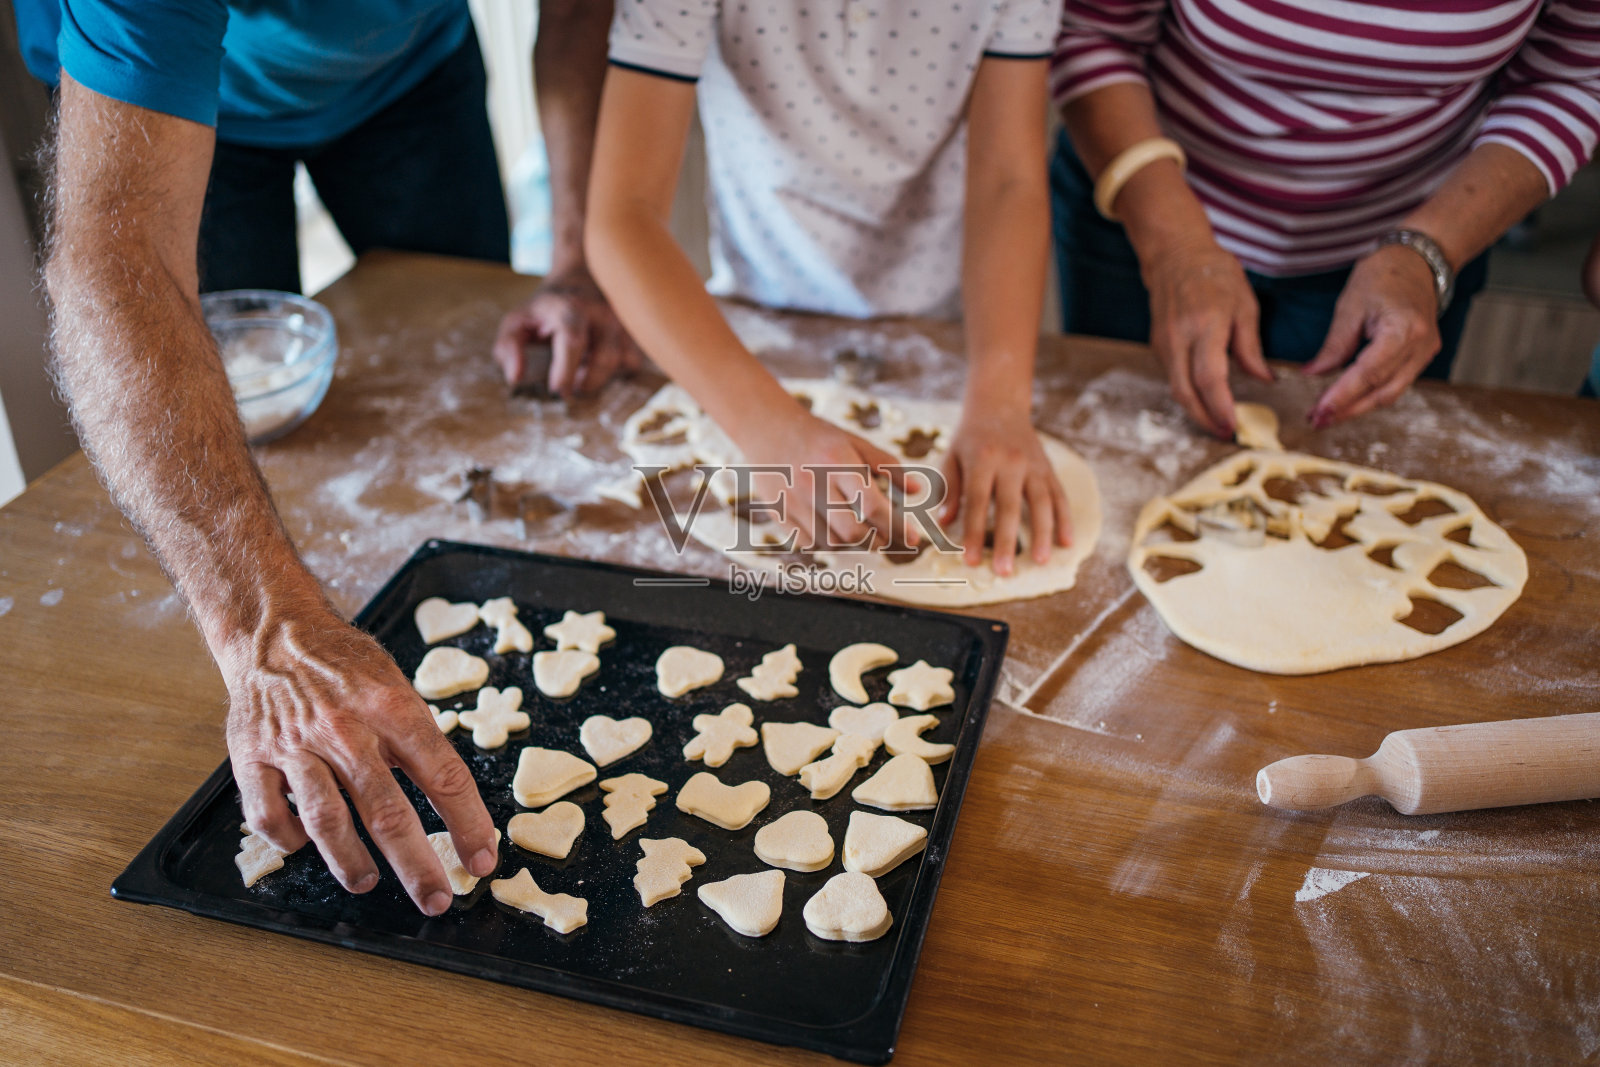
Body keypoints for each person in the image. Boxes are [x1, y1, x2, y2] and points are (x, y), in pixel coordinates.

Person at [34, 0, 619, 916]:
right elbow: (117, 257)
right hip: (170, 85)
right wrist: (266, 628)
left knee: (457, 383)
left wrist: (581, 255)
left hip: (409, 70)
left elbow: (583, 10)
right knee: (227, 438)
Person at [586, 0, 1073, 576]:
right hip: (753, 314)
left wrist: (1000, 399)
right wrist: (763, 424)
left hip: (939, 311)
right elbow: (624, 214)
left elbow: (1008, 182)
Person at [1050, 0, 1600, 437]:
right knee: (1124, 442)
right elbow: (1095, 31)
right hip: (1150, 209)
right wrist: (1176, 247)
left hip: (1414, 240)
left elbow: (1572, 78)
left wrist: (1427, 249)